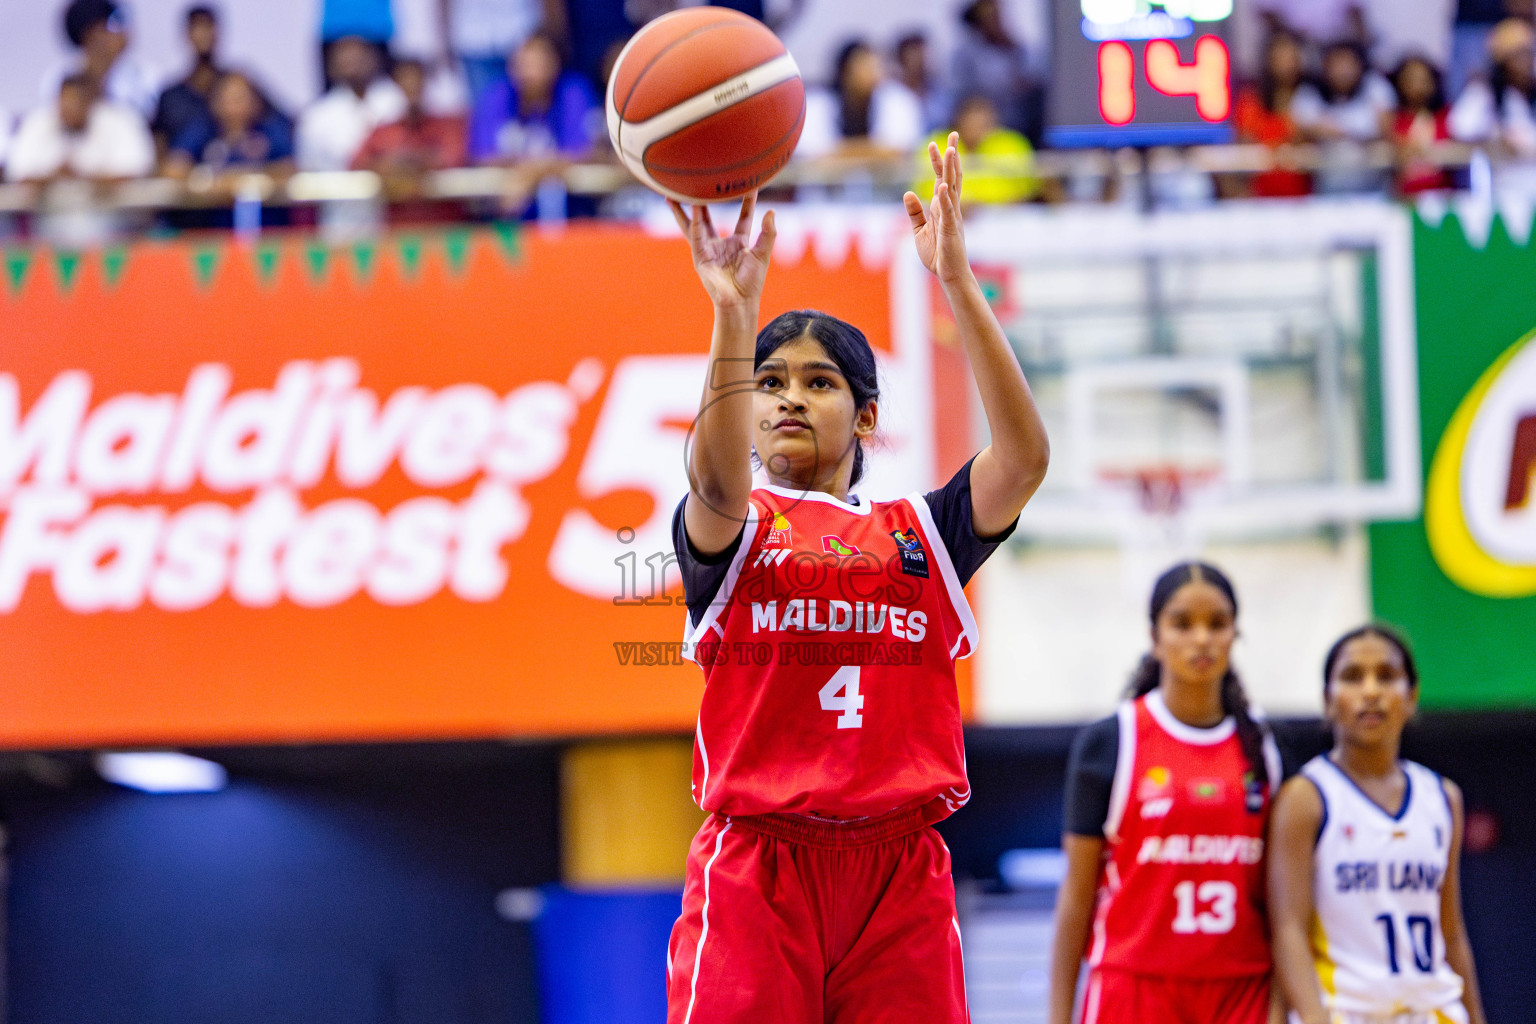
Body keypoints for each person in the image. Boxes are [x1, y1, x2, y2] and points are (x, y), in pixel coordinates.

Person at [663, 136, 1049, 1023]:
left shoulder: (922, 537)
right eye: (769, 383)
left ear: (867, 413)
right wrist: (733, 312)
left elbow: (1024, 458)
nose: (789, 398)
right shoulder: (738, 526)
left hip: (898, 871)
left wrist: (957, 279)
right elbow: (715, 477)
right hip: (761, 867)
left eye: (819, 382)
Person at [1047, 562, 1281, 1024]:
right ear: (1155, 636)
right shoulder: (1114, 741)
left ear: (1236, 633)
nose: (1201, 639)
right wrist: (1058, 1015)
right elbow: (1077, 896)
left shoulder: (1266, 747)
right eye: (1182, 624)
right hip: (1132, 989)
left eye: (1217, 624)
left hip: (1240, 990)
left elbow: (1284, 900)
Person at [1268, 625, 1488, 1024]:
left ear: (1411, 696)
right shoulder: (1306, 797)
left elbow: (1451, 933)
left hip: (1431, 1010)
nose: (1371, 691)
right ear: (1328, 700)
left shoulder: (1442, 798)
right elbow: (1288, 931)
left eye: (1386, 676)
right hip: (1344, 1012)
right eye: (1353, 677)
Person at [467, 28, 596, 163]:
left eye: (536, 64)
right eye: (522, 63)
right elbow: (481, 155)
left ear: (555, 64)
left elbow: (585, 153)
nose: (528, 72)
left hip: (561, 182)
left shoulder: (572, 93)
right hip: (508, 181)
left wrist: (538, 171)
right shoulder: (496, 94)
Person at [6, 72, 154, 183]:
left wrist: (82, 176)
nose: (67, 109)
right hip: (50, 219)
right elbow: (17, 175)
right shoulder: (38, 122)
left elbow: (137, 171)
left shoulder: (121, 120)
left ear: (91, 103)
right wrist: (52, 176)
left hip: (113, 219)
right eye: (64, 103)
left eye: (74, 102)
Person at [1292, 40, 1396, 192]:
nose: (1343, 71)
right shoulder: (1310, 92)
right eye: (1337, 64)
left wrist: (1340, 131)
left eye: (1349, 64)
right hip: (1327, 189)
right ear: (1325, 67)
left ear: (1360, 65)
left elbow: (1385, 128)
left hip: (1373, 189)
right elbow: (1304, 128)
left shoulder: (1375, 87)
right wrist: (1359, 134)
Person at [296, 34, 408, 171]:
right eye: (345, 57)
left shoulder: (399, 100)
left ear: (374, 57)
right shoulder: (316, 115)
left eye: (359, 55)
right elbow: (308, 168)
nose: (353, 62)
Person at [797, 39, 923, 160]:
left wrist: (840, 153)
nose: (874, 73)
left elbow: (901, 148)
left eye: (876, 66)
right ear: (845, 71)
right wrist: (874, 152)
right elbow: (811, 154)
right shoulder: (818, 103)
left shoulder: (897, 100)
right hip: (826, 182)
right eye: (864, 66)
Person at [439, 0, 568, 110]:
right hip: (474, 39)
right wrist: (444, 41)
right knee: (486, 113)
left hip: (523, 32)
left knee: (537, 110)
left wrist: (555, 38)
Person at [46, 0, 160, 120]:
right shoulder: (58, 80)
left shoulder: (145, 76)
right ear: (91, 35)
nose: (123, 33)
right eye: (113, 25)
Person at [1233, 29, 1314, 197]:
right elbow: (1245, 142)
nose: (1288, 65)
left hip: (1307, 194)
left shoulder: (1311, 97)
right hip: (1261, 193)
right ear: (1269, 60)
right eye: (1281, 57)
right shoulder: (1251, 99)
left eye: (1292, 57)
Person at [913, 94, 1036, 205]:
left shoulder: (1011, 143)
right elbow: (926, 190)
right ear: (958, 120)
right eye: (971, 119)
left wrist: (983, 203)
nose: (976, 126)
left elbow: (1027, 191)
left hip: (1003, 218)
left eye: (983, 121)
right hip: (948, 216)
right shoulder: (937, 144)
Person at [951, 0, 1041, 144]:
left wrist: (1011, 49)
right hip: (979, 129)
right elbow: (964, 96)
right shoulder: (966, 54)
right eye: (988, 15)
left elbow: (1031, 81)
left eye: (997, 14)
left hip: (1017, 126)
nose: (994, 20)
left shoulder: (1017, 49)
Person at [1386, 56, 1455, 194]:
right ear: (1400, 82)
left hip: (1443, 195)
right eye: (1411, 79)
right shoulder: (1391, 119)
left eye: (1423, 80)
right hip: (1403, 197)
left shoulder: (1448, 117)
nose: (1418, 85)